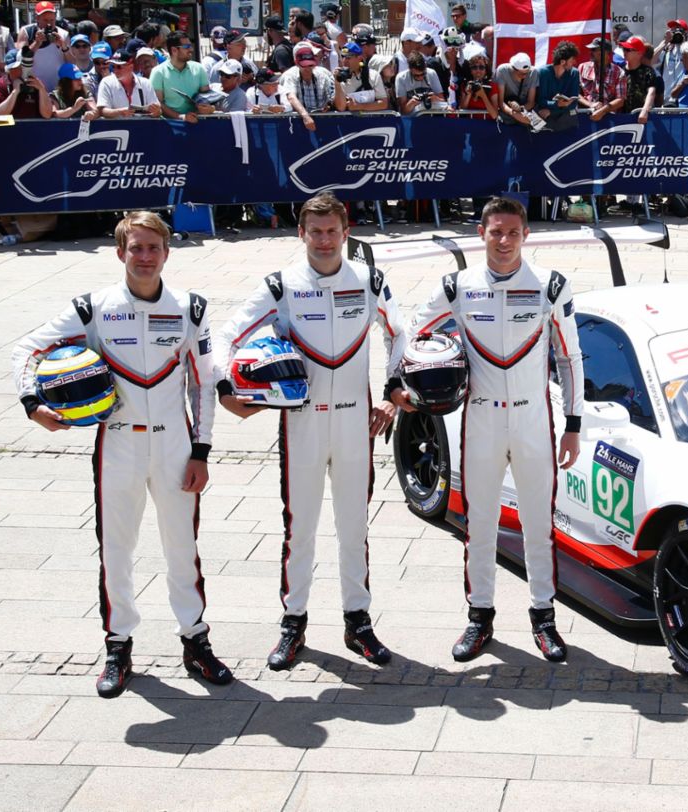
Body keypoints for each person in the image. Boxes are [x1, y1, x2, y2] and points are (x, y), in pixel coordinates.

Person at [12, 211, 231, 697]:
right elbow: (27, 349)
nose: (145, 256)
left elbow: (204, 385)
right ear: (120, 252)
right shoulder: (92, 308)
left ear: (167, 253)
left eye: (154, 247)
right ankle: (118, 645)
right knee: (117, 550)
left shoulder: (190, 308)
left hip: (175, 445)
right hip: (118, 442)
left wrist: (202, 451)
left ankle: (195, 640)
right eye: (136, 248)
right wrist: (34, 404)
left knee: (182, 548)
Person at [214, 193, 404, 669]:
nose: (323, 240)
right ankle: (292, 623)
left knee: (354, 528)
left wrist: (391, 392)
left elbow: (401, 332)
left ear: (346, 232)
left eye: (331, 231)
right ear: (301, 234)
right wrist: (226, 386)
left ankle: (357, 621)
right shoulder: (281, 285)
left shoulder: (369, 279)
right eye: (314, 231)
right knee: (300, 529)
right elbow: (224, 335)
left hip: (354, 424)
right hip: (301, 423)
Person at [405, 196, 583, 664]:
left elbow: (569, 357)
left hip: (533, 418)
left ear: (527, 235)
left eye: (512, 232)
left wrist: (574, 425)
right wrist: (406, 380)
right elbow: (411, 334)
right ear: (480, 234)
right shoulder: (457, 285)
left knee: (538, 523)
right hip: (479, 416)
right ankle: (479, 616)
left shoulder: (550, 286)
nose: (504, 241)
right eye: (495, 232)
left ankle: (543, 616)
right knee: (478, 522)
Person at [151, 30, 212, 122]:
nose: (191, 49)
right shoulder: (158, 72)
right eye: (186, 47)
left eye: (190, 46)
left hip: (198, 123)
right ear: (174, 50)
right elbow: (158, 103)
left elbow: (207, 97)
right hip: (170, 126)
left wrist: (208, 107)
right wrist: (181, 117)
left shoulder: (199, 69)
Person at [15, 1, 69, 92]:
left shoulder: (63, 34)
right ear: (37, 18)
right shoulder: (26, 32)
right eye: (45, 20)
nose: (49, 24)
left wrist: (64, 47)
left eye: (52, 20)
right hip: (33, 87)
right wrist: (36, 43)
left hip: (56, 88)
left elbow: (73, 63)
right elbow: (20, 59)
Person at [280, 43, 336, 127]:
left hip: (325, 123)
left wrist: (329, 105)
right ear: (296, 63)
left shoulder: (324, 73)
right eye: (304, 65)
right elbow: (291, 97)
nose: (308, 68)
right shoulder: (289, 75)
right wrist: (306, 116)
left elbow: (332, 97)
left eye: (311, 64)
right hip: (297, 124)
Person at [0, 48, 54, 118]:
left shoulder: (36, 84)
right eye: (11, 69)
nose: (14, 71)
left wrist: (41, 90)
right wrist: (15, 92)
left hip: (31, 127)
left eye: (18, 67)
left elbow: (47, 114)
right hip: (9, 128)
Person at [96, 46, 160, 118]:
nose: (115, 70)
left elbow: (157, 112)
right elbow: (102, 110)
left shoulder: (146, 83)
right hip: (117, 128)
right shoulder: (106, 82)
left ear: (130, 67)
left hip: (141, 127)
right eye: (113, 66)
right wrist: (120, 112)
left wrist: (156, 112)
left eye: (119, 67)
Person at [533, 40, 582, 128]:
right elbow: (540, 100)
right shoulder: (543, 72)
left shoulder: (574, 73)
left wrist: (552, 111)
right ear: (563, 62)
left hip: (566, 120)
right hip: (544, 120)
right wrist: (557, 104)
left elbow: (573, 103)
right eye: (571, 60)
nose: (574, 63)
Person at [494, 51, 543, 128]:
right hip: (507, 110)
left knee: (539, 125)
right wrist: (514, 114)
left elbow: (531, 102)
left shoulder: (533, 72)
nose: (525, 76)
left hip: (525, 109)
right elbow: (500, 102)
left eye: (527, 73)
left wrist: (520, 109)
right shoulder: (502, 71)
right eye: (522, 74)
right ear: (513, 68)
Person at [337, 41, 389, 112]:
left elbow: (383, 103)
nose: (344, 61)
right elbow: (340, 108)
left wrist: (359, 106)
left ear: (359, 58)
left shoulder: (373, 76)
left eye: (348, 57)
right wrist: (336, 82)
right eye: (342, 57)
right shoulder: (339, 79)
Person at [580, 36, 624, 119]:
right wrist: (590, 104)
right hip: (584, 116)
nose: (591, 53)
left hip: (609, 118)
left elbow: (620, 100)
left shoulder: (619, 72)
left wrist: (603, 110)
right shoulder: (582, 68)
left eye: (594, 50)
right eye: (591, 50)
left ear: (606, 53)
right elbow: (575, 93)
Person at [619, 36, 659, 122]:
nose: (624, 52)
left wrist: (645, 110)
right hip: (621, 118)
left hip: (641, 118)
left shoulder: (647, 71)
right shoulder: (620, 71)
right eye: (624, 49)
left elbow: (651, 92)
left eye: (628, 49)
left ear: (639, 53)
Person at [395, 51, 444, 115]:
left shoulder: (432, 73)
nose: (421, 78)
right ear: (410, 69)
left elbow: (443, 101)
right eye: (417, 75)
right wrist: (411, 103)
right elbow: (403, 111)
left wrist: (435, 99)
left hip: (432, 117)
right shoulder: (401, 78)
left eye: (423, 74)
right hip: (412, 119)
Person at [652, 19, 688, 94]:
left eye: (679, 30)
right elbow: (651, 61)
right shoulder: (666, 48)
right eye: (673, 30)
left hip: (683, 96)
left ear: (685, 33)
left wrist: (684, 44)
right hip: (666, 95)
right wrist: (665, 43)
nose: (676, 33)